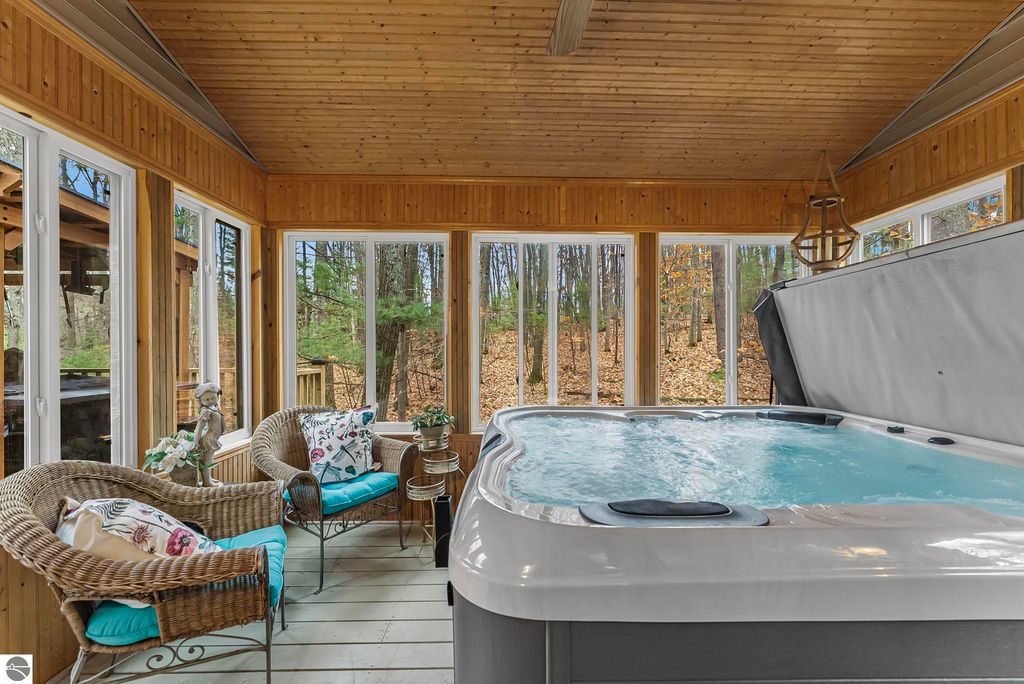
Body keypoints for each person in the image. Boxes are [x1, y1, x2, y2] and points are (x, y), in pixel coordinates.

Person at [194, 382, 224, 486]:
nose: (211, 401)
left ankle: (208, 478)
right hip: (208, 439)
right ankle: (206, 482)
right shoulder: (205, 411)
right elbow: (199, 427)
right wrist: (196, 442)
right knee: (206, 461)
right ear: (200, 400)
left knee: (209, 460)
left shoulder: (214, 407)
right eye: (207, 399)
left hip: (213, 438)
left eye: (213, 398)